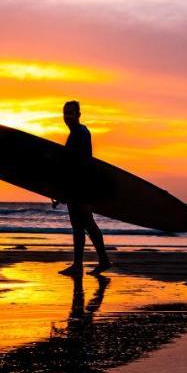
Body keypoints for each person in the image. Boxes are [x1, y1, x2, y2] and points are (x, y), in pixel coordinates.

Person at [58, 100, 112, 276]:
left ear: (78, 115)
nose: (68, 117)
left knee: (87, 223)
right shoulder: (76, 133)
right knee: (78, 226)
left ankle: (102, 260)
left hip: (81, 185)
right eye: (65, 113)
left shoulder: (80, 133)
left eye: (71, 113)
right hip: (77, 186)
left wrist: (65, 188)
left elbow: (77, 163)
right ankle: (78, 265)